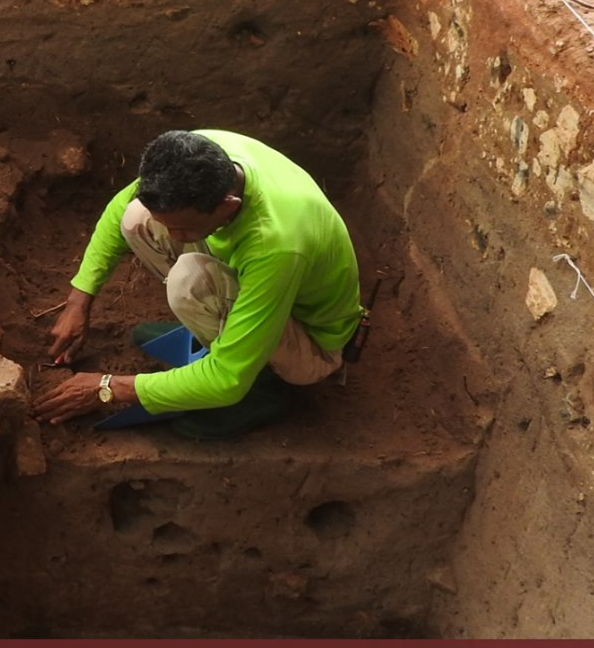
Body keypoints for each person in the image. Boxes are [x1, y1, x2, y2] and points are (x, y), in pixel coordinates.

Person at [30, 129, 362, 439]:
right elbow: (120, 210)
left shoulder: (276, 245)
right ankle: (220, 331)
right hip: (263, 284)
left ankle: (263, 387)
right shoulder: (197, 154)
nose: (174, 238)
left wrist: (108, 387)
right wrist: (79, 301)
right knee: (136, 219)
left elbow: (227, 378)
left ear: (228, 205)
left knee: (190, 281)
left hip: (311, 343)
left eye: (184, 229)